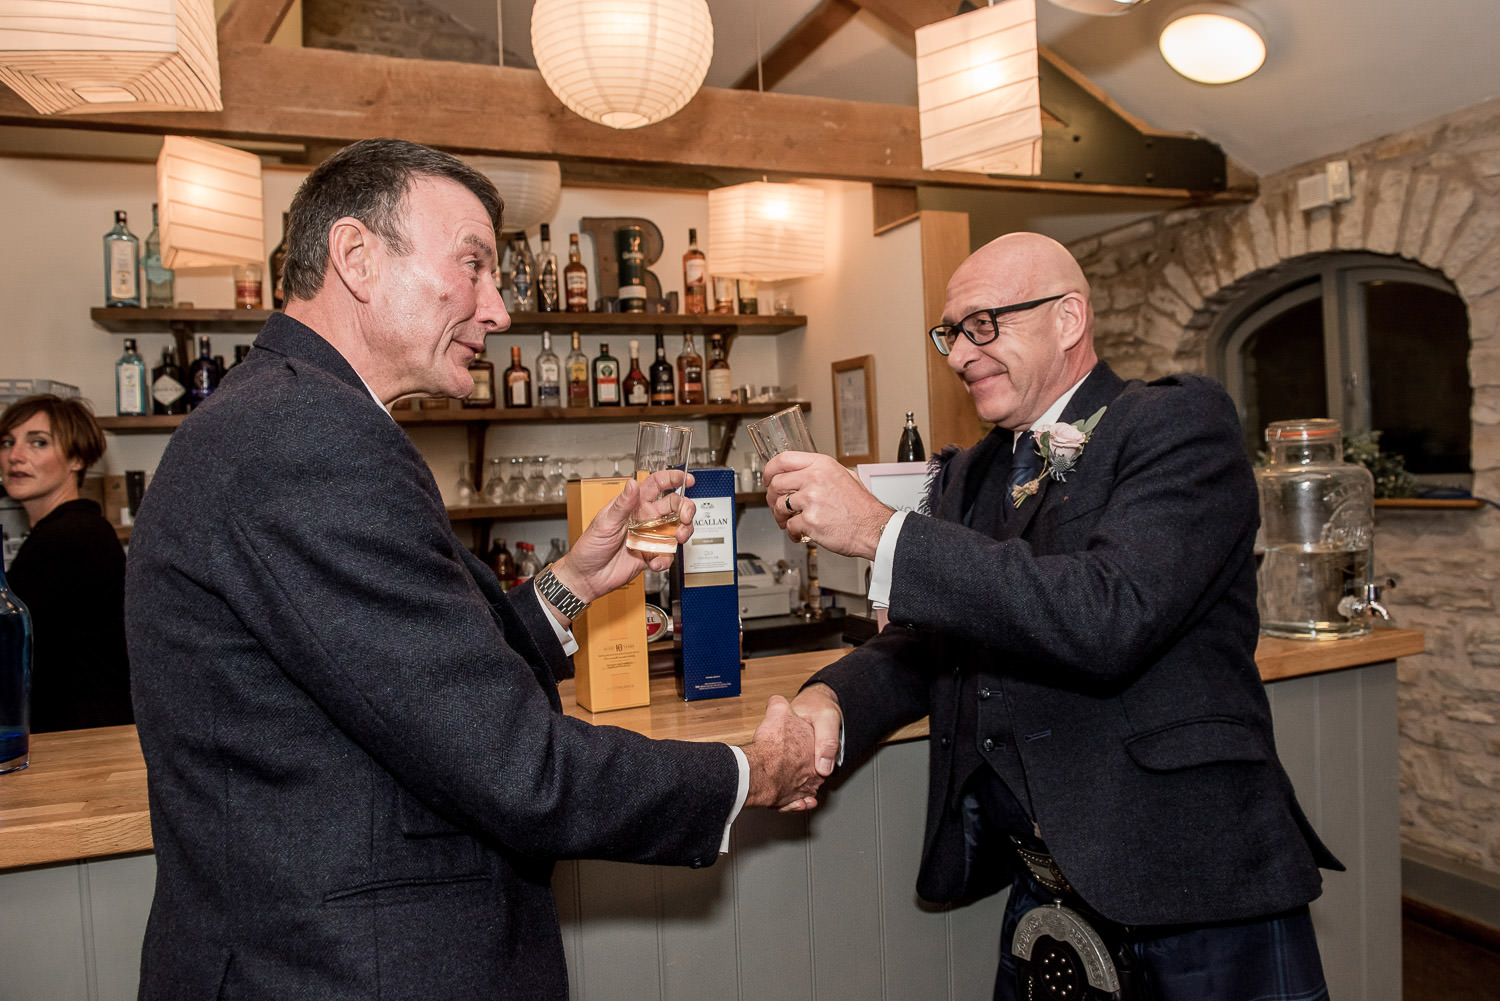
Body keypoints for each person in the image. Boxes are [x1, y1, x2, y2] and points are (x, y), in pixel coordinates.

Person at [126, 138, 820, 1001]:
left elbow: (406, 675)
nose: (498, 308)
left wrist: (569, 582)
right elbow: (516, 765)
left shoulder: (292, 415)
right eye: (474, 265)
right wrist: (749, 771)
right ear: (355, 256)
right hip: (344, 968)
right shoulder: (309, 438)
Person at [764, 233, 1342, 1000]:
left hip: (1191, 880)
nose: (960, 354)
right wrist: (827, 700)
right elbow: (929, 643)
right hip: (1047, 892)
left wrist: (878, 530)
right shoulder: (971, 474)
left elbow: (1109, 614)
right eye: (950, 334)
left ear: (1069, 318)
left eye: (983, 324)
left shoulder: (1178, 424)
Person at [0, 393, 130, 732]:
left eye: (38, 443)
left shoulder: (69, 538)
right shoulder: (78, 529)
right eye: (7, 442)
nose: (15, 456)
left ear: (76, 458)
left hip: (82, 741)